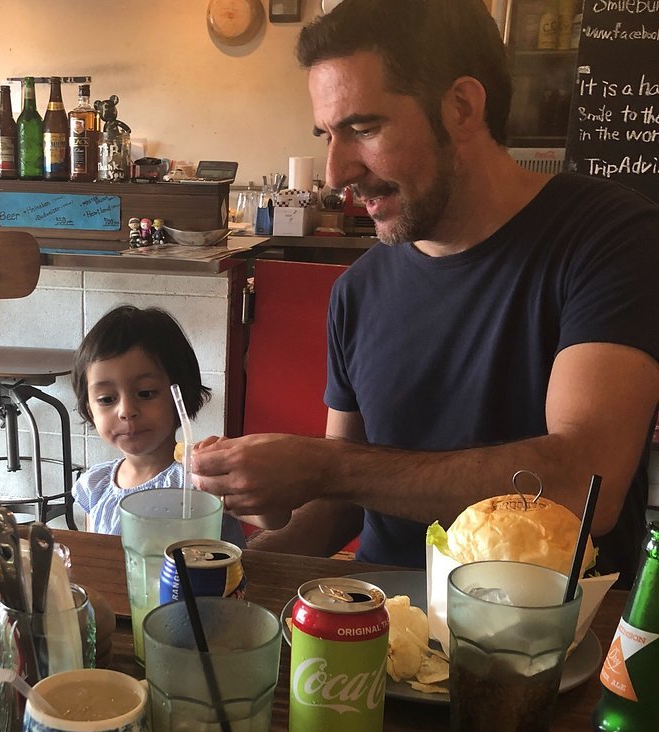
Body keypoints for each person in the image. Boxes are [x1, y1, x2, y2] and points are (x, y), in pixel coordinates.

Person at [192, 0, 659, 584]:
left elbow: (585, 483)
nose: (335, 172)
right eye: (327, 135)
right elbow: (344, 498)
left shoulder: (607, 238)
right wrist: (228, 580)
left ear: (462, 107)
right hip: (377, 631)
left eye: (363, 128)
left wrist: (319, 466)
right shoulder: (358, 290)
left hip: (546, 649)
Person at [71, 305, 278, 541]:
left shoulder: (202, 477)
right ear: (89, 409)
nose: (126, 411)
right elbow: (94, 558)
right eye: (107, 399)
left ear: (181, 395)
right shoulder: (96, 486)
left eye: (146, 393)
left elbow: (273, 520)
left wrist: (248, 469)